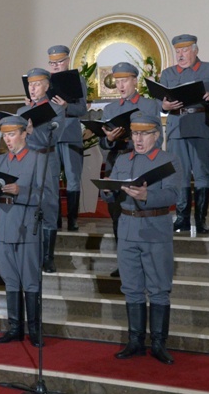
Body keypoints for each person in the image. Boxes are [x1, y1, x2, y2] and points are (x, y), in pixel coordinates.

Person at [101, 112, 181, 365]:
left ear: (156, 135)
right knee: (132, 287)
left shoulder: (169, 160)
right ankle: (135, 341)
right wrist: (106, 191)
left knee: (158, 289)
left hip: (155, 228)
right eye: (135, 133)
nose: (139, 138)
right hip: (127, 228)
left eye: (145, 133)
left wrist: (147, 196)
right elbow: (113, 194)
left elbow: (173, 195)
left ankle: (158, 343)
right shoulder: (123, 160)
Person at [0, 115, 54, 348]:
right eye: (4, 135)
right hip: (3, 223)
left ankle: (34, 330)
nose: (8, 140)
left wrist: (21, 191)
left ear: (24, 133)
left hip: (27, 225)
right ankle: (14, 328)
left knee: (30, 280)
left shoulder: (39, 160)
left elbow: (49, 197)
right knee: (10, 279)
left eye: (12, 134)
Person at [99, 62, 161, 278]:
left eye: (124, 80)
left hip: (142, 164)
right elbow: (103, 144)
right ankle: (124, 262)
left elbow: (157, 137)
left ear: (135, 80)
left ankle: (148, 262)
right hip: (118, 164)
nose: (121, 85)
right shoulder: (110, 109)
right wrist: (109, 139)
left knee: (143, 214)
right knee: (119, 216)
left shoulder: (149, 105)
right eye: (117, 81)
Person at [160, 34, 209, 234]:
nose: (180, 55)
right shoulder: (168, 73)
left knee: (203, 174)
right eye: (177, 51)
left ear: (195, 50)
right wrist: (164, 105)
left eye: (185, 50)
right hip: (176, 127)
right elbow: (159, 102)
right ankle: (182, 219)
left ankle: (201, 220)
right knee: (181, 175)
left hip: (200, 126)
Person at [17, 68, 65, 273]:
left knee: (48, 203)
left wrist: (31, 132)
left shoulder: (57, 108)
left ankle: (48, 256)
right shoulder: (21, 111)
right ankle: (28, 251)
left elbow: (54, 136)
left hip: (47, 157)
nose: (33, 88)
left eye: (37, 85)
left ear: (46, 86)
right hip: (27, 159)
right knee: (25, 202)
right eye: (30, 85)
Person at [47, 45, 88, 231]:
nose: (55, 66)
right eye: (52, 63)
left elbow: (82, 109)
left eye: (59, 62)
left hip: (71, 134)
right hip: (52, 135)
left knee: (72, 177)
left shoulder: (77, 80)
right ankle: (55, 220)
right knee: (53, 178)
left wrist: (66, 106)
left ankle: (72, 220)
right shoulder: (45, 82)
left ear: (67, 61)